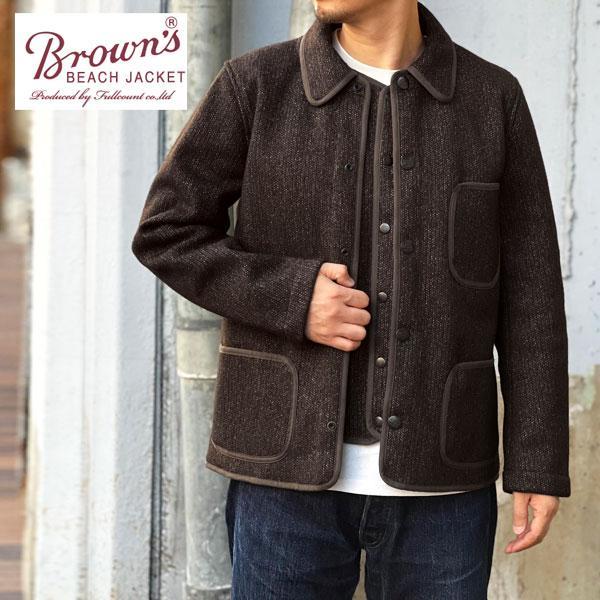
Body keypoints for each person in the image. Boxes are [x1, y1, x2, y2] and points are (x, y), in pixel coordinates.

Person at [131, 1, 571, 597]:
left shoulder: (493, 100)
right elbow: (166, 232)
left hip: (443, 490)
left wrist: (537, 461)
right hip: (282, 481)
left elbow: (531, 295)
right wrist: (293, 297)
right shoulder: (255, 85)